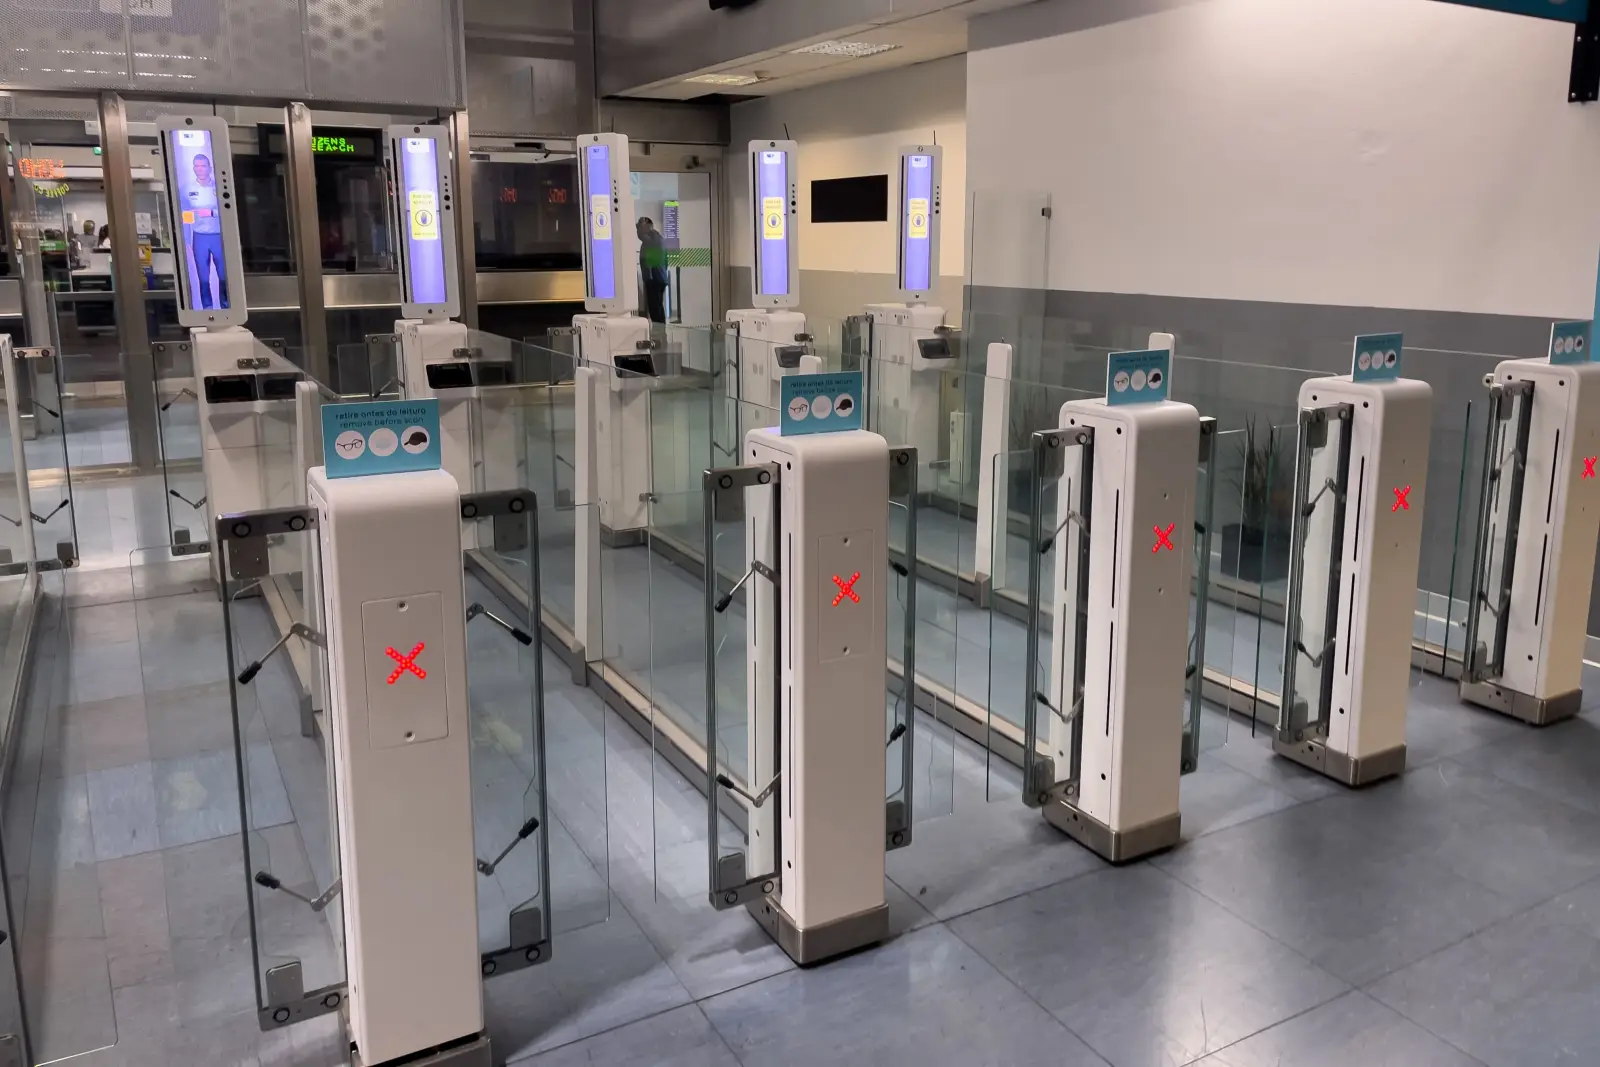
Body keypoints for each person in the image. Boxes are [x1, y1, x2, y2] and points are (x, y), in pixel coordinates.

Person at [182, 153, 227, 310]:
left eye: (203, 166)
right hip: (199, 236)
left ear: (209, 168)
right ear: (194, 168)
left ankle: (226, 305)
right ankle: (206, 307)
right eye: (197, 166)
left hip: (218, 235)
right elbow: (185, 214)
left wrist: (212, 213)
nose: (200, 169)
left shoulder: (219, 187)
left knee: (223, 273)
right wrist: (187, 239)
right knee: (202, 275)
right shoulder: (187, 189)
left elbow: (228, 210)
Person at [637, 216, 669, 324]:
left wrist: (649, 279)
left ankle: (659, 335)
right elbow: (666, 260)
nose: (638, 231)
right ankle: (660, 334)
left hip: (654, 279)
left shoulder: (651, 239)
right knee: (658, 308)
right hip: (659, 278)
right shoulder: (658, 238)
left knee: (655, 309)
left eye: (639, 227)